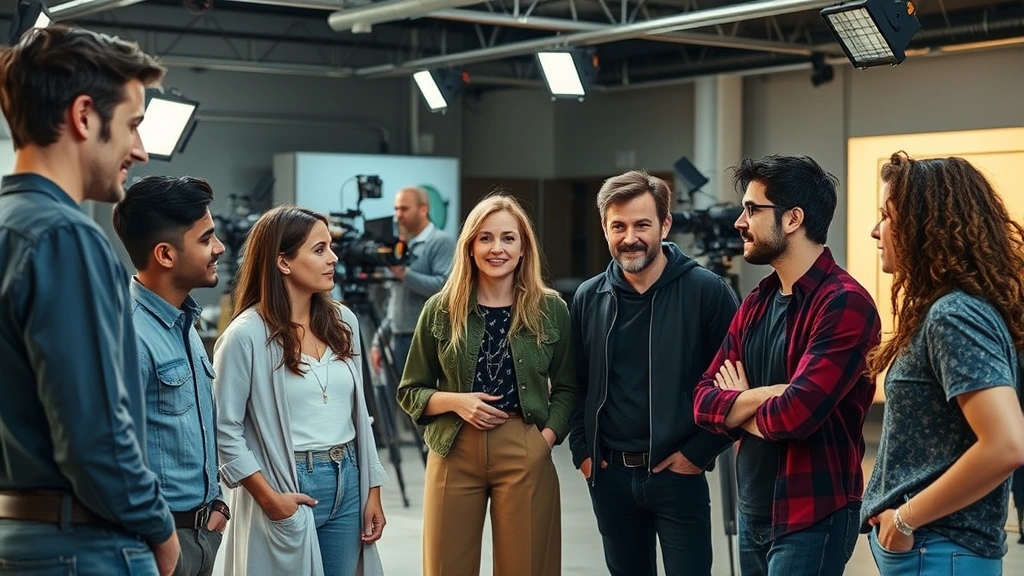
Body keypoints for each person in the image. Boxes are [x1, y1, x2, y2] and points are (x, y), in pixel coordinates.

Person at [0, 26, 179, 575]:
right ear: (83, 116)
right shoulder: (65, 238)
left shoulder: (9, 228)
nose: (141, 151)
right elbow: (96, 439)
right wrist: (160, 528)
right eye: (132, 126)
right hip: (84, 544)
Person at [693, 155, 881, 576]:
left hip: (811, 514)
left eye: (752, 209)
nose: (740, 222)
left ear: (793, 218)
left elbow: (796, 417)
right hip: (755, 507)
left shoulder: (844, 304)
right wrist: (762, 396)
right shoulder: (757, 302)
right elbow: (703, 401)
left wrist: (737, 407)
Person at [860, 152, 1024, 574]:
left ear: (921, 225)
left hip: (939, 551)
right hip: (933, 550)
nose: (875, 231)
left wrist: (903, 519)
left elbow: (1006, 444)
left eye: (886, 216)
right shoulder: (948, 309)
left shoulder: (953, 314)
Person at [569, 170, 738, 576]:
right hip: (608, 476)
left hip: (678, 474)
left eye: (642, 224)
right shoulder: (589, 296)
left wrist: (698, 453)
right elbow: (574, 382)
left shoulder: (707, 291)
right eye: (618, 226)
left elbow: (736, 386)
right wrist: (583, 451)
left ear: (665, 224)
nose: (630, 237)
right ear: (604, 228)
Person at [398, 194, 575, 576]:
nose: (498, 248)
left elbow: (567, 387)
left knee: (526, 567)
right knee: (446, 567)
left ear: (523, 247)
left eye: (509, 238)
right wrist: (456, 402)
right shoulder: (441, 308)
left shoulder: (551, 309)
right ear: (470, 247)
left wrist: (544, 439)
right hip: (453, 447)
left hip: (524, 444)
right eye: (486, 238)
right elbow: (410, 390)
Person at [214, 206, 387, 576]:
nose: (334, 258)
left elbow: (360, 416)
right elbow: (223, 428)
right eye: (319, 249)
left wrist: (372, 488)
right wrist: (268, 498)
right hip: (287, 482)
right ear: (283, 262)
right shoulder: (245, 335)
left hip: (349, 479)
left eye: (331, 247)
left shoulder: (344, 322)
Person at [112, 175, 230, 576]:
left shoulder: (183, 323)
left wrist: (217, 506)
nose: (220, 248)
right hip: (157, 545)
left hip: (201, 535)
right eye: (206, 239)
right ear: (165, 254)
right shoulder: (128, 333)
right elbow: (113, 455)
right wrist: (160, 536)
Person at [371, 186, 455, 377]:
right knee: (401, 404)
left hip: (426, 340)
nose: (398, 215)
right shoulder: (402, 246)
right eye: (395, 209)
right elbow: (396, 301)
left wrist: (405, 274)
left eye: (404, 209)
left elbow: (445, 287)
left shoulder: (440, 242)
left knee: (422, 404)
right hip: (398, 337)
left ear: (423, 209)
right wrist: (379, 340)